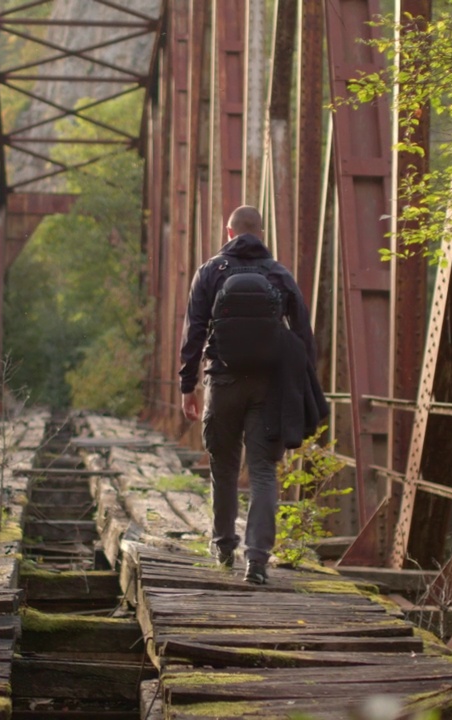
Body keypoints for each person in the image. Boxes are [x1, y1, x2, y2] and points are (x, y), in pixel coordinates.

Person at [178, 205, 321, 585]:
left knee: (223, 467)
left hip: (221, 382)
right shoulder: (279, 274)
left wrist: (187, 386)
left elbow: (193, 332)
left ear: (229, 233)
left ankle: (224, 545)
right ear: (261, 233)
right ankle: (257, 560)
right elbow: (303, 336)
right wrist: (305, 387)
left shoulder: (210, 271)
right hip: (268, 387)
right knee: (262, 471)